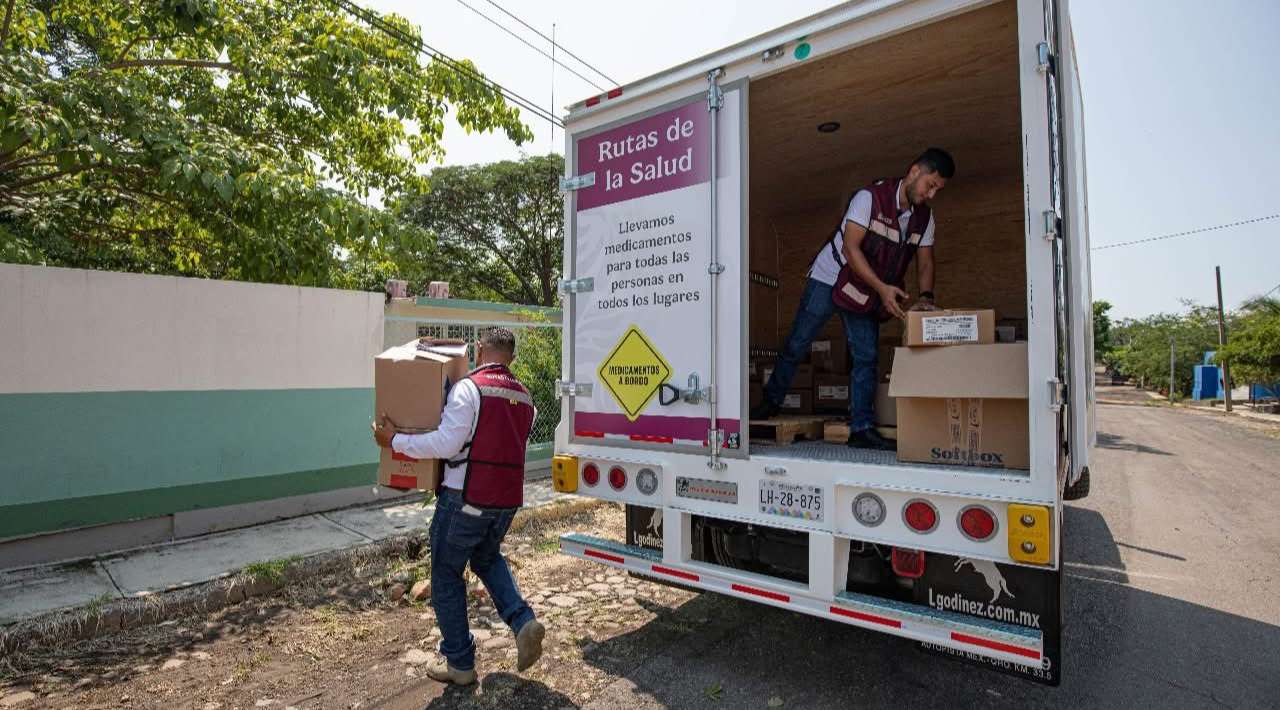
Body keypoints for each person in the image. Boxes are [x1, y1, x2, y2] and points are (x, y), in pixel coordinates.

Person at [372, 327, 545, 686]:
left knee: (446, 575)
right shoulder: (526, 398)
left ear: (480, 350)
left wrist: (395, 441)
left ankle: (459, 663)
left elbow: (448, 443)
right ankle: (523, 621)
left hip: (465, 499)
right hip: (506, 502)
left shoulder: (470, 388)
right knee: (485, 558)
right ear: (510, 357)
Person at [751, 148, 955, 451]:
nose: (932, 194)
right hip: (830, 276)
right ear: (915, 172)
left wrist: (926, 297)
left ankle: (861, 427)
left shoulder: (925, 219)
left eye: (938, 188)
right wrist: (883, 289)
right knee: (798, 342)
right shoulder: (868, 198)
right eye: (931, 184)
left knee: (867, 356)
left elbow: (925, 262)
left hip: (865, 289)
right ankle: (769, 403)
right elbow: (850, 249)